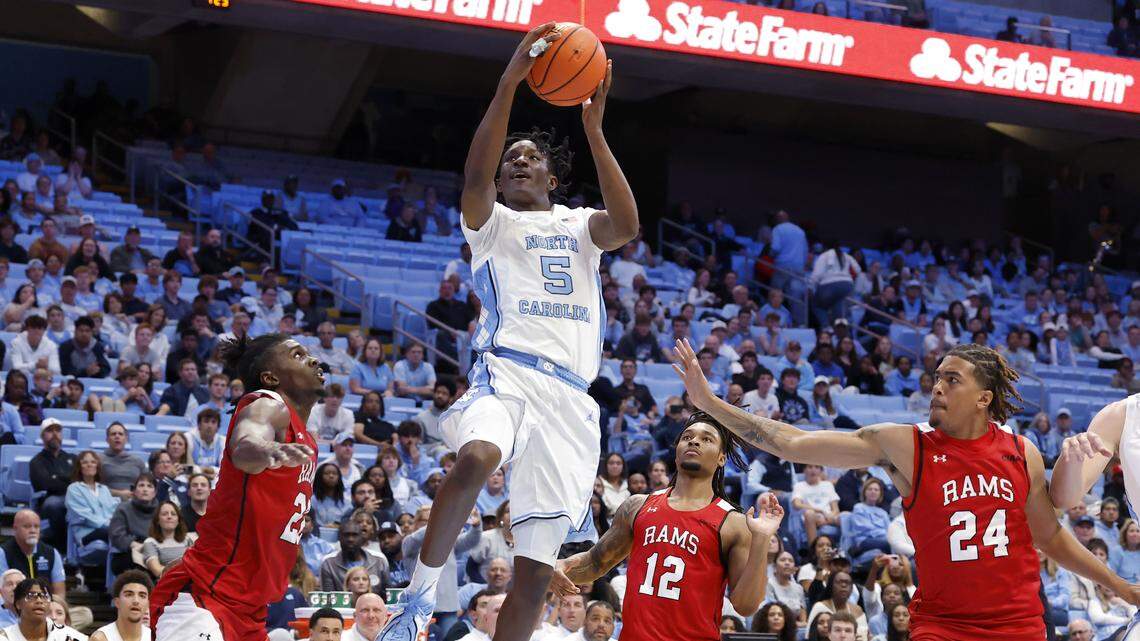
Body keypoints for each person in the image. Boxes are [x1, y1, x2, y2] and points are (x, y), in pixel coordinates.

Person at [383, 26, 638, 641]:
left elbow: (627, 225)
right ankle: (416, 599)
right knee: (476, 456)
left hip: (571, 399)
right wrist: (510, 82)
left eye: (532, 156)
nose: (517, 160)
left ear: (553, 178)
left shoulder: (579, 224)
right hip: (507, 371)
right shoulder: (489, 224)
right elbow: (474, 175)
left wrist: (596, 132)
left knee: (533, 574)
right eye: (510, 159)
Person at [671, 339, 1140, 640]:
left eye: (951, 379)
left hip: (1017, 626)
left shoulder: (1023, 451)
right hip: (942, 625)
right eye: (936, 377)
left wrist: (1119, 585)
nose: (937, 387)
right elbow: (792, 443)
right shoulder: (906, 446)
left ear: (984, 398)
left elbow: (1049, 537)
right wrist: (710, 403)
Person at [150, 333, 324, 641]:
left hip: (249, 611)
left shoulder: (307, 440)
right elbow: (247, 441)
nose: (312, 360)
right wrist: (263, 450)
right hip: (203, 597)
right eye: (297, 355)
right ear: (270, 377)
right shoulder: (267, 404)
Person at [551, 412, 785, 640]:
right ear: (676, 454)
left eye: (707, 439)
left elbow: (746, 605)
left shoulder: (733, 522)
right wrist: (561, 565)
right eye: (687, 437)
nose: (694, 440)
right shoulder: (637, 505)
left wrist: (762, 539)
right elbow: (596, 561)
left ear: (721, 457)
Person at [29, 419, 76, 550]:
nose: (55, 434)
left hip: (74, 499)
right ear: (42, 436)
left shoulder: (72, 458)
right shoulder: (36, 461)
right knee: (54, 504)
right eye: (50, 431)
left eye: (58, 430)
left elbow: (79, 481)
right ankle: (60, 548)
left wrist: (57, 478)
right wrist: (67, 480)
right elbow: (44, 485)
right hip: (50, 502)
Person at [0, 511, 65, 597]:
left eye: (36, 526)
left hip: (46, 606)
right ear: (15, 529)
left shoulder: (52, 553)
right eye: (27, 526)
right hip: (14, 606)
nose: (33, 531)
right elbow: (3, 592)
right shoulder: (3, 553)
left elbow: (59, 593)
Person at [0, 577, 86, 641]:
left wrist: (100, 633)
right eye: (31, 596)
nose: (39, 600)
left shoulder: (65, 635)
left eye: (44, 596)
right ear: (18, 604)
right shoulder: (5, 637)